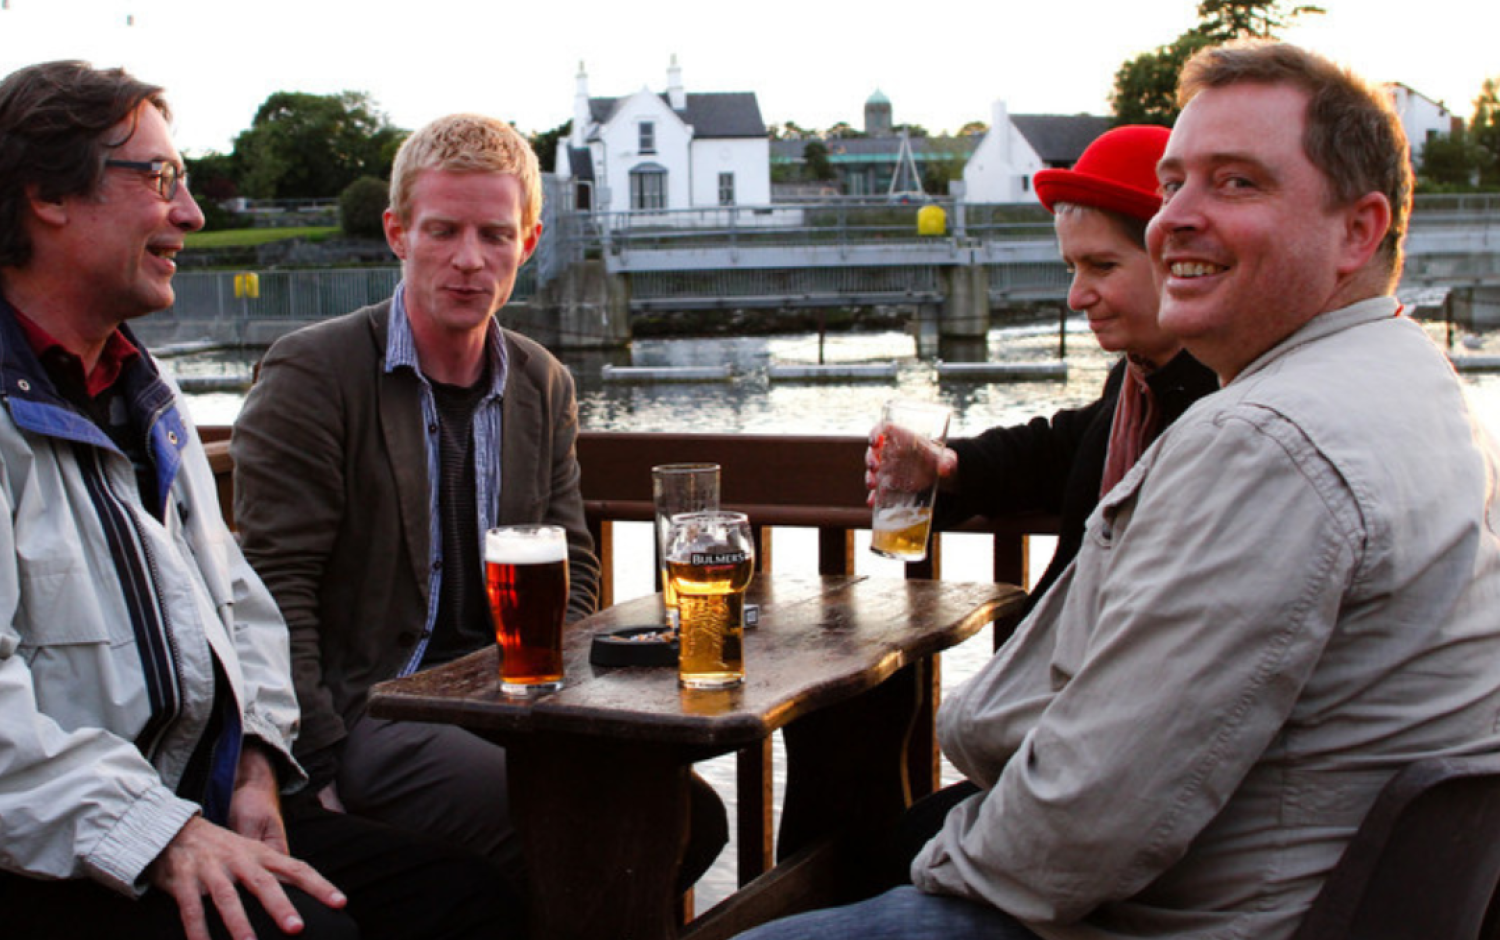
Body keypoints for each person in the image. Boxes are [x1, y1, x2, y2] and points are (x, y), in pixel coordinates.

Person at [741, 40, 1500, 940]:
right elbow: (1064, 445)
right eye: (1173, 184)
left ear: (1358, 232)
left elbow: (1083, 824)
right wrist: (955, 470)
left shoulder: (1264, 441)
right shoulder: (1414, 384)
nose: (1176, 216)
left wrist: (935, 869)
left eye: (1237, 182)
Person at [0, 60, 513, 940]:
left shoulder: (144, 391)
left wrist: (256, 763)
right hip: (60, 846)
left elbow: (240, 606)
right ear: (47, 195)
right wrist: (162, 835)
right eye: (160, 177)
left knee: (463, 898)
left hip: (193, 800)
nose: (191, 213)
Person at [231, 113, 723, 886]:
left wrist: (557, 692)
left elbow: (574, 562)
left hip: (508, 700)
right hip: (374, 710)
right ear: (398, 233)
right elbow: (272, 589)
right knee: (595, 826)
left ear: (528, 243)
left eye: (495, 235)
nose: (469, 260)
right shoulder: (314, 374)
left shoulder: (540, 381)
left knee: (691, 815)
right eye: (443, 231)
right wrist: (314, 764)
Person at [867, 124, 1218, 612]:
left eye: (1102, 266)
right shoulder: (1139, 382)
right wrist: (946, 466)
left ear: (1179, 260)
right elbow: (1059, 452)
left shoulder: (1217, 408)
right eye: (1072, 268)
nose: (1076, 297)